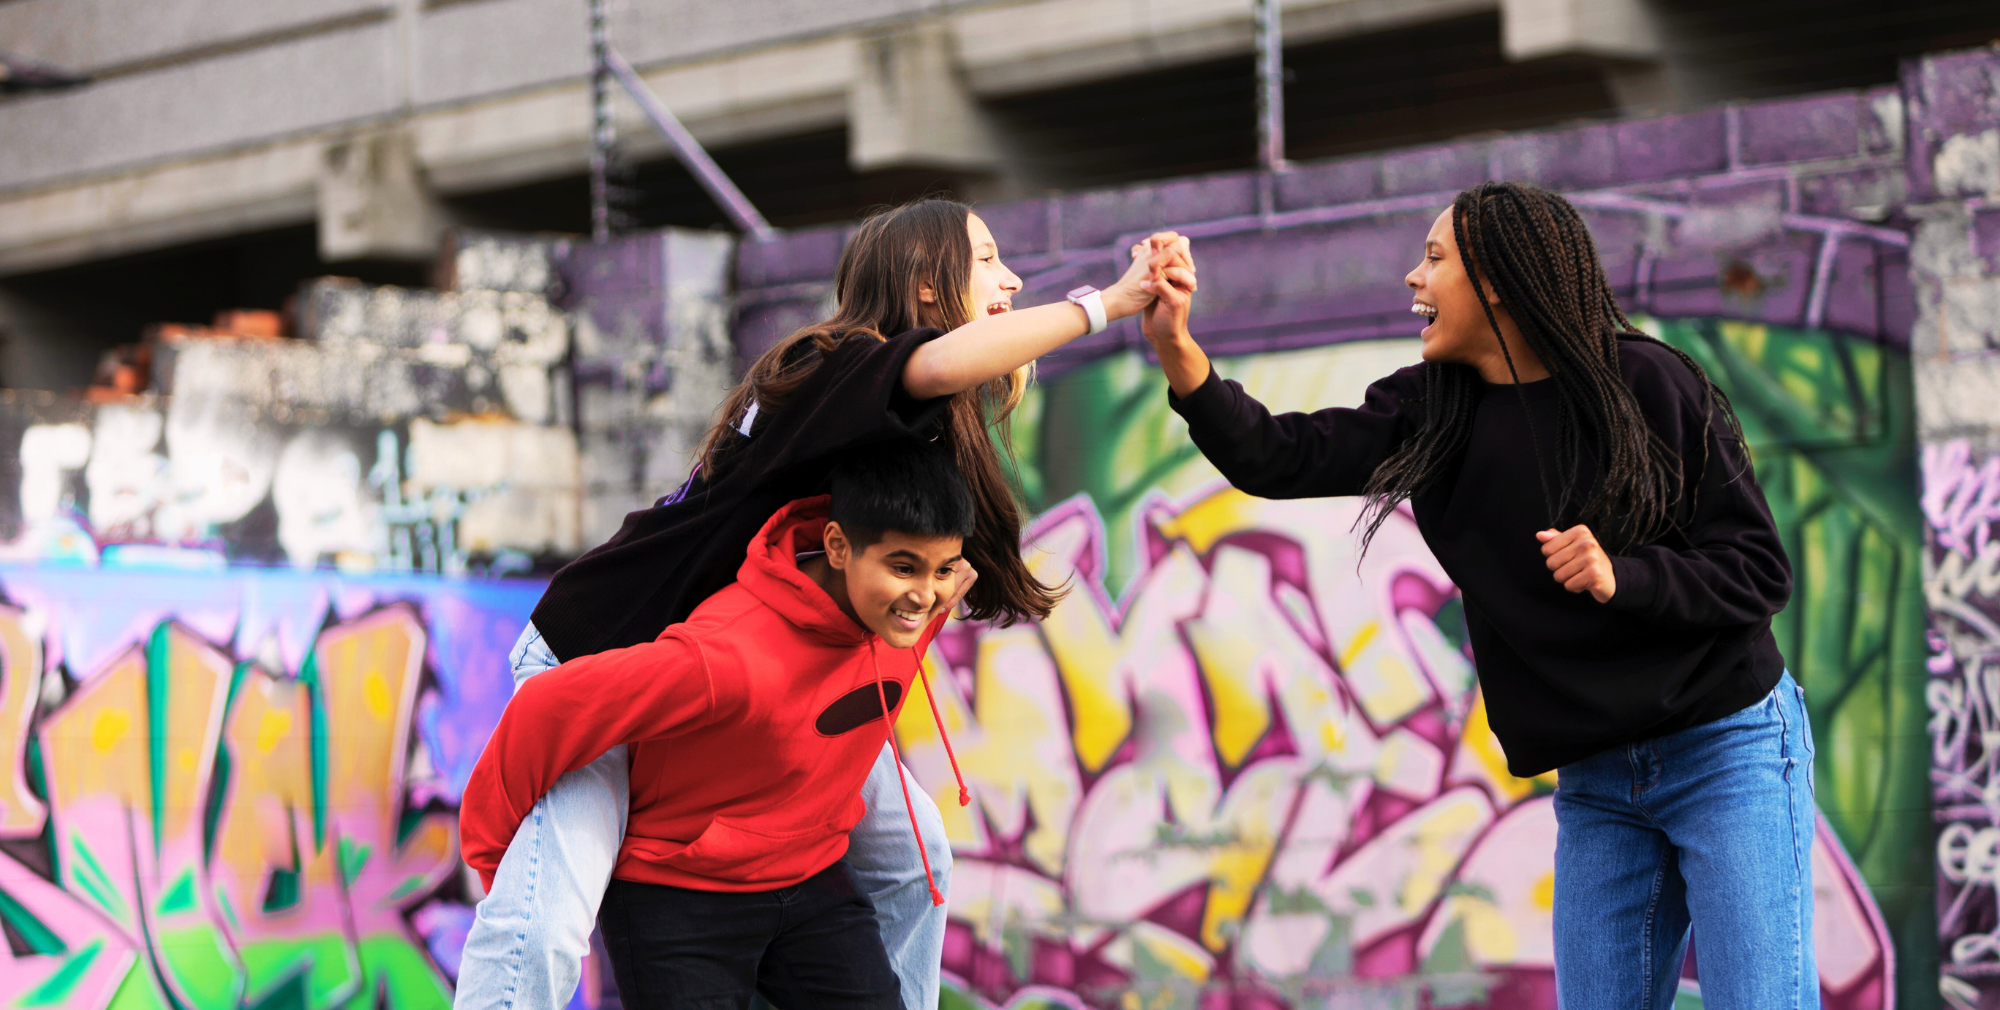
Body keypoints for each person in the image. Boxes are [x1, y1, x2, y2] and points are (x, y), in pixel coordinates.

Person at [454, 198, 1193, 1010]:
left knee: (918, 859)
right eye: (987, 259)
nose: (1011, 277)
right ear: (923, 284)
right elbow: (944, 364)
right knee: (546, 928)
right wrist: (1106, 304)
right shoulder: (831, 363)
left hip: (752, 687)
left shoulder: (910, 430)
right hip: (608, 656)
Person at [1139, 181, 1814, 1009]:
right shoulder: (1434, 410)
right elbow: (1280, 456)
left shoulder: (1644, 382)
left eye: (1433, 259)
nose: (1413, 281)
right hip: (1598, 778)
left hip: (1726, 747)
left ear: (1493, 278)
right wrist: (1176, 345)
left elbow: (1757, 569)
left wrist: (1623, 574)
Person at [461, 444, 979, 1009]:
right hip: (682, 901)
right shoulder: (726, 656)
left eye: (942, 570)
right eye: (903, 567)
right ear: (836, 546)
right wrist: (492, 855)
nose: (924, 594)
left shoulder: (914, 609)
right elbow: (548, 708)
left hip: (810, 885)